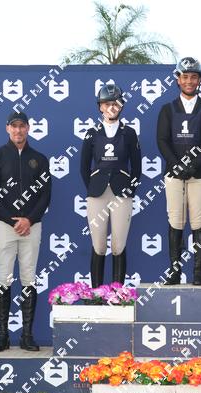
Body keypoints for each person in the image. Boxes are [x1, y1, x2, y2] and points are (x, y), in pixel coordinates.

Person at [0, 111, 51, 352]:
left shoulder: (39, 159)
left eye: (22, 126)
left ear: (28, 128)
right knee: (4, 278)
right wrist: (12, 220)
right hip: (5, 226)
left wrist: (29, 219)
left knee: (28, 278)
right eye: (14, 126)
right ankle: (2, 336)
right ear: (7, 129)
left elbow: (45, 194)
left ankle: (27, 335)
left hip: (32, 226)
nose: (18, 130)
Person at [156, 57, 201, 285]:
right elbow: (162, 140)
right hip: (174, 174)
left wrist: (194, 164)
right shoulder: (167, 109)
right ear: (178, 79)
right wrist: (177, 165)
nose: (189, 81)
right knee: (175, 219)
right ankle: (174, 271)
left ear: (200, 80)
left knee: (198, 220)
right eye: (185, 77)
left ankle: (198, 271)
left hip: (200, 173)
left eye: (194, 77)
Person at [80, 83, 141, 287]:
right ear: (100, 106)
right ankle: (96, 294)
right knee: (98, 245)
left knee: (118, 245)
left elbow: (137, 167)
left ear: (121, 105)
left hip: (121, 193)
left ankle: (117, 294)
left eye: (115, 103)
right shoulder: (91, 133)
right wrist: (92, 188)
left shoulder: (129, 133)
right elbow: (83, 167)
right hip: (97, 194)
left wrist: (129, 190)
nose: (111, 107)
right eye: (107, 104)